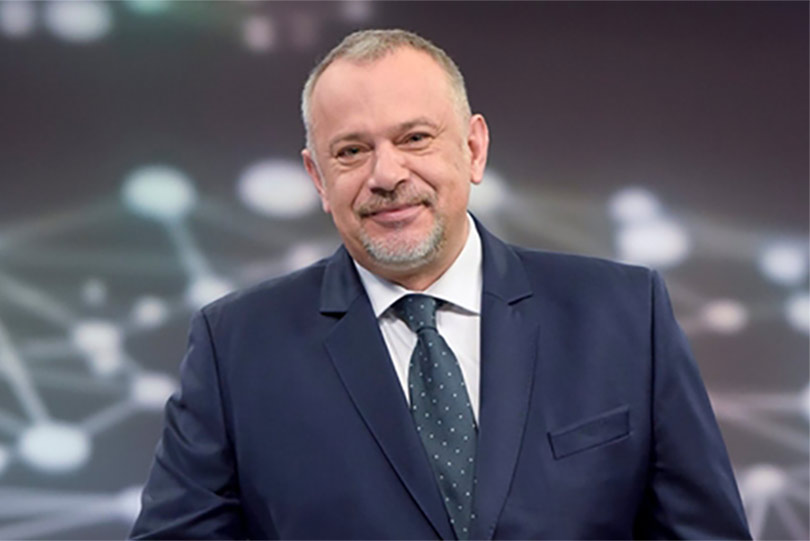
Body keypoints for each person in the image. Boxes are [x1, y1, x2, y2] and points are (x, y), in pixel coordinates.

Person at [130, 29, 751, 540]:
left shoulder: (625, 314)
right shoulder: (235, 347)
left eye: (414, 138)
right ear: (317, 178)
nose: (386, 174)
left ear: (474, 149)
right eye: (351, 151)